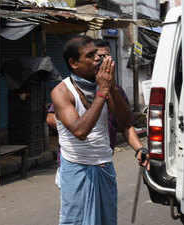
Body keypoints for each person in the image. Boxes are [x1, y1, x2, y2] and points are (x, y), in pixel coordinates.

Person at [51, 35, 147, 225]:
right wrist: (102, 91)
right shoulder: (62, 92)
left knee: (106, 220)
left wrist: (110, 88)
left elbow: (125, 122)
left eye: (98, 54)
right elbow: (80, 131)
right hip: (76, 168)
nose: (98, 59)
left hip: (104, 165)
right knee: (76, 221)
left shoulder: (106, 86)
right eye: (90, 55)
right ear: (74, 63)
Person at [93, 39, 150, 170]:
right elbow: (52, 119)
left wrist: (139, 149)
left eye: (106, 56)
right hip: (79, 163)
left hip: (105, 160)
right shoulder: (78, 86)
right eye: (99, 57)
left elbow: (126, 126)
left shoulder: (116, 90)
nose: (103, 61)